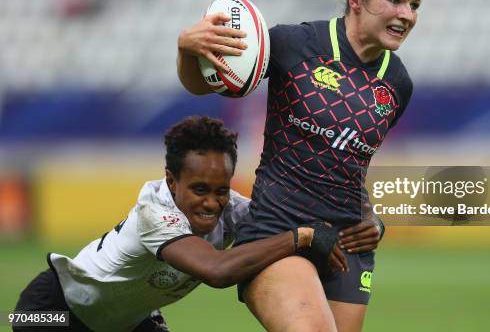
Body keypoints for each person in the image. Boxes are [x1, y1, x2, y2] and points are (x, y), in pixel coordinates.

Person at [176, 0, 423, 331]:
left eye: (414, 5)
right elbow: (206, 84)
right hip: (278, 231)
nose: (407, 14)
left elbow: (351, 166)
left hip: (346, 248)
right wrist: (187, 49)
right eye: (395, 0)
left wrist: (372, 219)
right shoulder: (296, 43)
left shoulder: (397, 83)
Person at [13, 116, 347, 332]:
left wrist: (359, 224)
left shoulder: (230, 209)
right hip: (52, 312)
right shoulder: (153, 214)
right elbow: (217, 271)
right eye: (199, 189)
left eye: (221, 190)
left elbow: (299, 218)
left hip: (128, 322)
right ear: (172, 182)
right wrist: (301, 237)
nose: (212, 202)